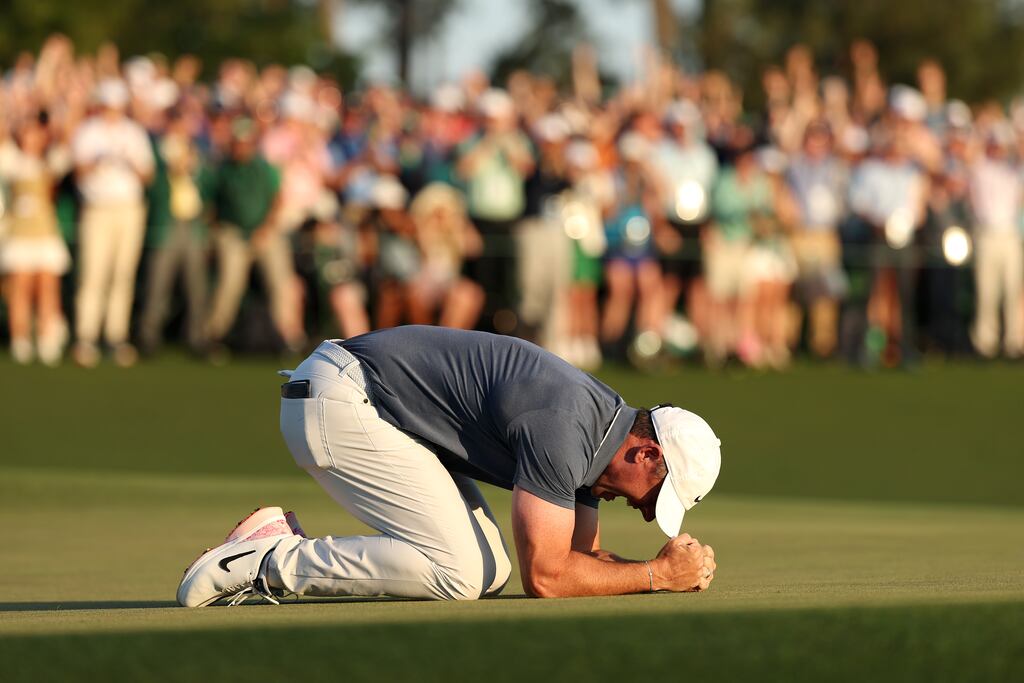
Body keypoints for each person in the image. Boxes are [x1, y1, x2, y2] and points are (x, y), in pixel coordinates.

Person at [176, 326, 721, 606]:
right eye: (654, 497)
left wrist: (658, 571)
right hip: (340, 400)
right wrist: (656, 576)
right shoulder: (566, 425)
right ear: (646, 454)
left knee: (491, 571)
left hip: (361, 400)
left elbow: (580, 558)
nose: (647, 514)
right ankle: (266, 562)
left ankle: (268, 539)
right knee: (458, 572)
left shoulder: (599, 432)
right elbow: (549, 578)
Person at [70, 78, 155, 367]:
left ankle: (116, 336)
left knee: (122, 274)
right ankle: (86, 336)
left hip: (129, 208)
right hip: (97, 208)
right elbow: (78, 171)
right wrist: (98, 161)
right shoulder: (88, 131)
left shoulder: (133, 133)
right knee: (93, 272)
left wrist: (129, 162)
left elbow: (148, 175)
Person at [0, 112, 72, 365]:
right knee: (20, 287)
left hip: (46, 234)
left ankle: (47, 338)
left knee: (47, 288)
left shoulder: (49, 161)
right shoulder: (12, 161)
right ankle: (21, 339)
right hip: (19, 235)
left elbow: (66, 139)